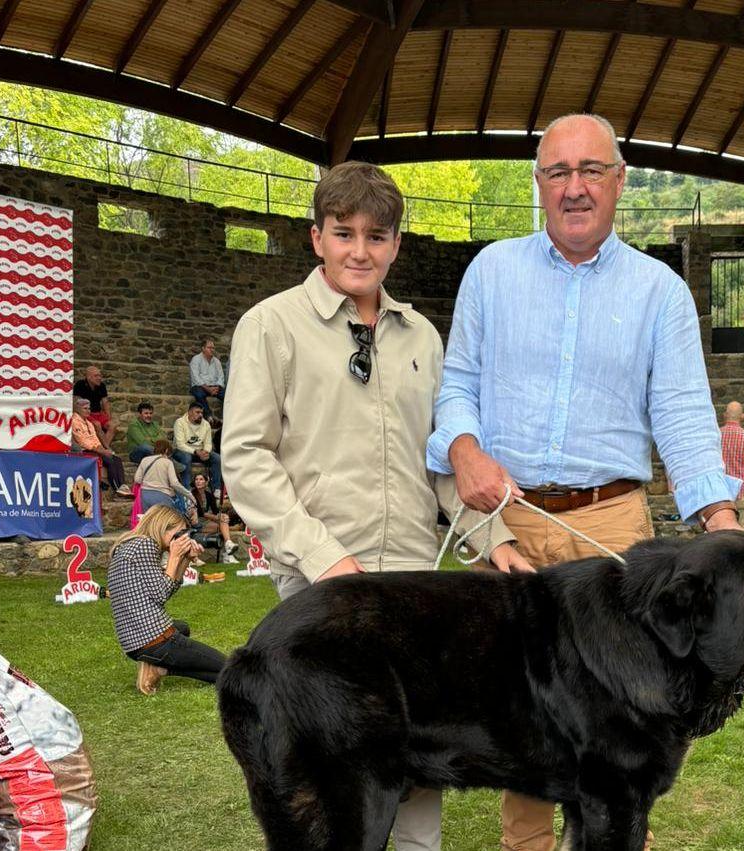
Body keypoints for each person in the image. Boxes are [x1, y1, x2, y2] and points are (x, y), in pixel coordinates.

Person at [425, 113, 742, 851]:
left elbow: (685, 414)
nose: (574, 188)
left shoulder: (660, 292)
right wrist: (464, 447)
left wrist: (719, 516)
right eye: (558, 172)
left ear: (620, 181)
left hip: (612, 531)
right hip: (506, 517)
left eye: (591, 171)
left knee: (626, 720)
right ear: (537, 184)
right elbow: (458, 385)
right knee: (522, 716)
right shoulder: (491, 272)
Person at [224, 160, 528, 851]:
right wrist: (326, 556)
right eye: (344, 233)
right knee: (336, 788)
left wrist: (496, 538)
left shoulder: (421, 336)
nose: (360, 250)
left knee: (418, 768)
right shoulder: (269, 326)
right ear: (316, 238)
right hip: (320, 588)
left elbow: (444, 460)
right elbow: (246, 457)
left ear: (396, 244)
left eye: (377, 236)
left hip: (415, 593)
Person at [107, 504, 226, 695]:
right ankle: (158, 665)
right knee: (228, 669)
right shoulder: (144, 545)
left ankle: (158, 667)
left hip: (133, 641)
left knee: (182, 628)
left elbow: (166, 588)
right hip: (154, 640)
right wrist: (174, 557)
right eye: (179, 534)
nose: (182, 539)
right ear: (162, 527)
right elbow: (161, 594)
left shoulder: (132, 545)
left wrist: (186, 559)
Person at [71, 396, 131, 497]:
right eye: (85, 408)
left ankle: (122, 486)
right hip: (85, 451)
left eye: (89, 408)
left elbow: (95, 439)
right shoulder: (74, 421)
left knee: (117, 459)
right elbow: (83, 442)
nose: (88, 411)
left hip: (95, 449)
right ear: (78, 409)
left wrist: (103, 449)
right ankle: (117, 489)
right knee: (109, 460)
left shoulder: (89, 423)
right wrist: (102, 451)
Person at [189, 473, 239, 562]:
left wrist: (222, 516)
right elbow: (201, 513)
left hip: (206, 522)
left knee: (223, 521)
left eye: (201, 479)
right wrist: (217, 518)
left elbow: (215, 511)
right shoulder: (192, 494)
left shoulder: (208, 494)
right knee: (222, 527)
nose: (198, 482)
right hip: (196, 523)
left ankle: (228, 544)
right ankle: (227, 554)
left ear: (206, 482)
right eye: (196, 479)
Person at [173, 401, 222, 492]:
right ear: (189, 412)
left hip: (200, 452)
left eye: (202, 413)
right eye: (197, 412)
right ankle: (186, 489)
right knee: (186, 457)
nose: (200, 415)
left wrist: (206, 452)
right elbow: (180, 445)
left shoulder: (206, 424)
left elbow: (208, 443)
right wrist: (196, 452)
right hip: (182, 451)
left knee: (217, 458)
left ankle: (216, 489)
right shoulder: (180, 422)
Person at [134, 439, 191, 512]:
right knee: (163, 520)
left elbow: (137, 479)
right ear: (167, 450)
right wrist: (188, 494)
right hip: (162, 495)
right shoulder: (168, 462)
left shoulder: (144, 460)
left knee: (149, 520)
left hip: (145, 495)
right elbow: (174, 483)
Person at [72, 365, 116, 448]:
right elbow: (76, 404)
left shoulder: (102, 386)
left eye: (100, 375)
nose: (99, 378)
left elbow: (105, 402)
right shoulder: (80, 385)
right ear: (89, 377)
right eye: (96, 376)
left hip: (98, 413)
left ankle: (104, 448)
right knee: (97, 424)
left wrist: (108, 417)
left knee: (112, 425)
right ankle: (105, 449)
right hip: (87, 413)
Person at [189, 339, 226, 412]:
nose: (212, 350)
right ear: (203, 348)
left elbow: (221, 377)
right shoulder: (196, 359)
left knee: (228, 396)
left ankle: (228, 417)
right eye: (209, 347)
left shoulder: (216, 361)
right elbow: (196, 378)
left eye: (213, 348)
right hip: (200, 386)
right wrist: (208, 389)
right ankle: (209, 416)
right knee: (199, 395)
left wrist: (217, 387)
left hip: (215, 387)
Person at [126, 400, 165, 465]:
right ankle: (166, 459)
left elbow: (163, 437)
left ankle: (163, 459)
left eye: (150, 413)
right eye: (146, 413)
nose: (149, 415)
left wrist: (150, 439)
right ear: (140, 414)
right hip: (137, 454)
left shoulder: (155, 424)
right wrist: (156, 439)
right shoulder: (134, 425)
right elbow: (143, 442)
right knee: (144, 447)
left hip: (152, 452)